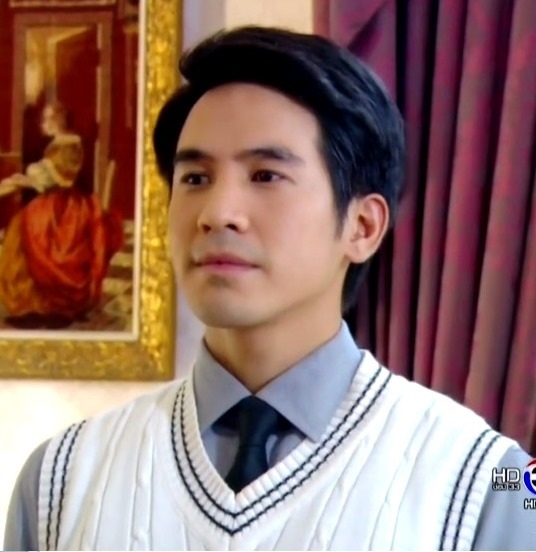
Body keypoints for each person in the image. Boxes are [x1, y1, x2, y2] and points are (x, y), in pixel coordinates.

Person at [3, 27, 535, 551]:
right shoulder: (59, 483)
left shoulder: (487, 484)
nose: (217, 214)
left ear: (363, 226)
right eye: (195, 179)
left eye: (265, 176)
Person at [0, 102, 123, 328]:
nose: (43, 123)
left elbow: (58, 178)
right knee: (22, 224)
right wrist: (25, 179)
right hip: (53, 200)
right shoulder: (59, 144)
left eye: (47, 119)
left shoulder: (70, 145)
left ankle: (51, 304)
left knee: (27, 228)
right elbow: (45, 175)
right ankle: (33, 303)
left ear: (58, 120)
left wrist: (24, 180)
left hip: (65, 206)